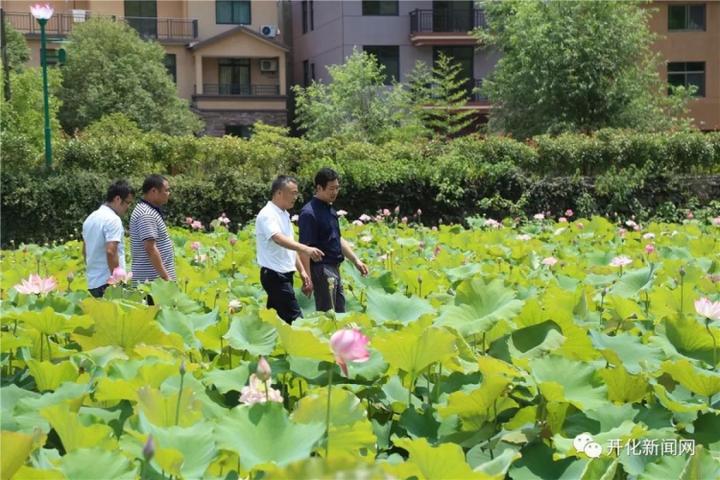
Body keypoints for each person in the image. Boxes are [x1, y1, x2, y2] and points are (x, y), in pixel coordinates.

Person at [256, 175, 324, 323]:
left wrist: (303, 272)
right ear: (279, 193)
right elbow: (278, 239)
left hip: (284, 274)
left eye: (296, 193)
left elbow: (290, 247)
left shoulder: (284, 215)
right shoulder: (268, 214)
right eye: (292, 193)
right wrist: (306, 249)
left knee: (275, 321)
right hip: (274, 274)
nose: (296, 197)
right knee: (295, 319)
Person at [298, 168, 368, 313]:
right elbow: (304, 248)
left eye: (337, 188)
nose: (335, 192)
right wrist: (307, 278)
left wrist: (356, 261)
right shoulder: (309, 213)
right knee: (328, 315)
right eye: (331, 188)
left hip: (335, 268)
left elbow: (337, 238)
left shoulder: (330, 209)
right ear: (319, 188)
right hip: (321, 269)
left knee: (340, 312)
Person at [82, 180, 135, 298]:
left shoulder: (90, 218)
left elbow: (85, 252)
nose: (128, 207)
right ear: (117, 199)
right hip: (109, 283)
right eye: (127, 203)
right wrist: (118, 281)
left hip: (93, 282)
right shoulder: (113, 219)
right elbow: (111, 251)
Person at [130, 174, 176, 290]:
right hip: (152, 283)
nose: (168, 194)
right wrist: (166, 277)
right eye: (166, 190)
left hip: (155, 281)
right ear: (154, 191)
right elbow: (150, 248)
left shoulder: (148, 210)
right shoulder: (146, 214)